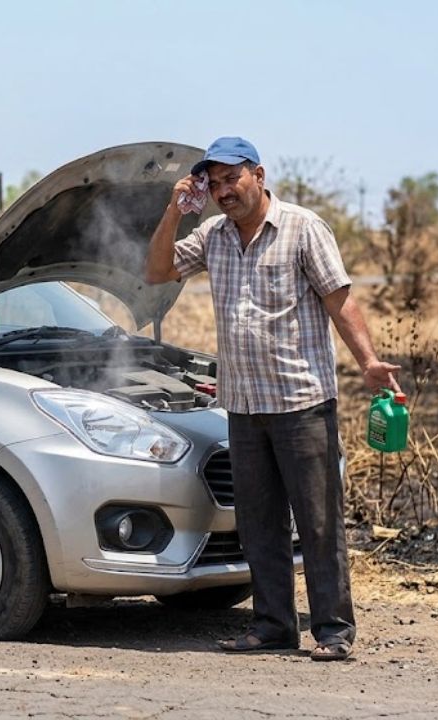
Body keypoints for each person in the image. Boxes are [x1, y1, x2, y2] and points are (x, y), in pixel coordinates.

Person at [144, 137, 400, 662]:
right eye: (211, 184)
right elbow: (157, 270)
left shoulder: (304, 228)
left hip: (302, 402)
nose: (221, 192)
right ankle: (272, 626)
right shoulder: (213, 235)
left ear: (258, 175)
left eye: (230, 179)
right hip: (242, 406)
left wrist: (368, 362)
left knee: (318, 521)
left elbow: (339, 300)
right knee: (259, 523)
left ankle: (332, 630)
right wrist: (174, 210)